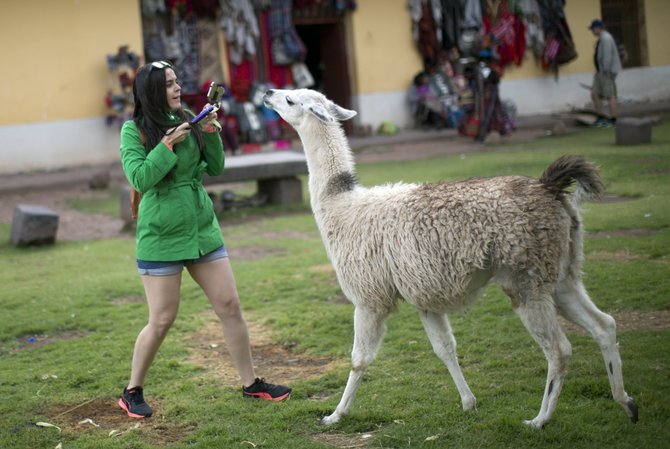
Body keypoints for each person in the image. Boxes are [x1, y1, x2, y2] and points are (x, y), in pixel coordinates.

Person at [118, 60, 291, 419]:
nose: (177, 88)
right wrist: (166, 145)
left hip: (201, 228)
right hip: (161, 235)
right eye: (168, 84)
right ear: (152, 92)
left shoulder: (191, 118)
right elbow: (139, 179)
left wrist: (209, 132)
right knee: (162, 319)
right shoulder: (133, 131)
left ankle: (251, 383)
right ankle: (132, 390)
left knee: (230, 305)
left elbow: (215, 169)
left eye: (177, 81)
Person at [588, 19, 622, 127]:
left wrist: (605, 70)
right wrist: (598, 71)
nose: (592, 31)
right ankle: (600, 118)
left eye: (593, 29)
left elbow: (607, 56)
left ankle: (613, 119)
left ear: (598, 28)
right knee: (595, 94)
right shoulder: (602, 38)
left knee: (609, 95)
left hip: (606, 72)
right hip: (601, 71)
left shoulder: (606, 38)